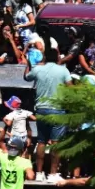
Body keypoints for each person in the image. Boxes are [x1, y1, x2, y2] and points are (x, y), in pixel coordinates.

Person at [24, 48, 72, 181]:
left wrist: (28, 64)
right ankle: (52, 174)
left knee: (41, 141)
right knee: (56, 143)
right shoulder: (63, 70)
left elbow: (26, 77)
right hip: (58, 109)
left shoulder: (38, 69)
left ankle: (39, 173)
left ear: (44, 57)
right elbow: (71, 88)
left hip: (41, 109)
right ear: (57, 57)